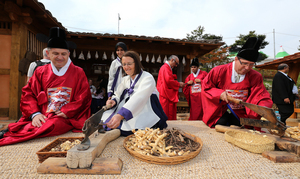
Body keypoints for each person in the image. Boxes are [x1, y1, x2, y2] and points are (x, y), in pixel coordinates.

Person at [0, 27, 91, 146]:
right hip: (43, 113)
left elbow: (84, 97)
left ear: (69, 54)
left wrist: (67, 110)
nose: (60, 57)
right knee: (38, 123)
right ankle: (10, 132)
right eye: (55, 53)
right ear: (48, 53)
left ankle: (11, 134)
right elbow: (28, 94)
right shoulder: (40, 71)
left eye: (63, 54)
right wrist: (35, 114)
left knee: (52, 124)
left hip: (65, 116)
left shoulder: (78, 72)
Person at [201, 37, 273, 128]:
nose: (247, 68)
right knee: (220, 123)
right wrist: (219, 94)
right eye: (244, 63)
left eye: (251, 64)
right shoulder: (218, 71)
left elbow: (260, 95)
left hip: (241, 112)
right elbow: (206, 87)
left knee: (243, 126)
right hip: (220, 110)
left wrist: (264, 110)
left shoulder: (255, 76)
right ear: (236, 59)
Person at [101, 51, 168, 136]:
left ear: (136, 63)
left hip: (145, 108)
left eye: (129, 64)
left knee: (129, 128)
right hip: (130, 108)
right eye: (124, 64)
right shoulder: (125, 79)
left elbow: (139, 98)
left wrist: (120, 115)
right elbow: (118, 93)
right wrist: (114, 100)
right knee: (105, 119)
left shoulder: (147, 78)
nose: (126, 67)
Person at [157, 55, 185, 120]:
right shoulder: (165, 68)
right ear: (172, 60)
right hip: (165, 95)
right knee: (167, 114)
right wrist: (178, 84)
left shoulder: (166, 68)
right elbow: (168, 81)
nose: (176, 66)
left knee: (167, 113)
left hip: (165, 94)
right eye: (176, 63)